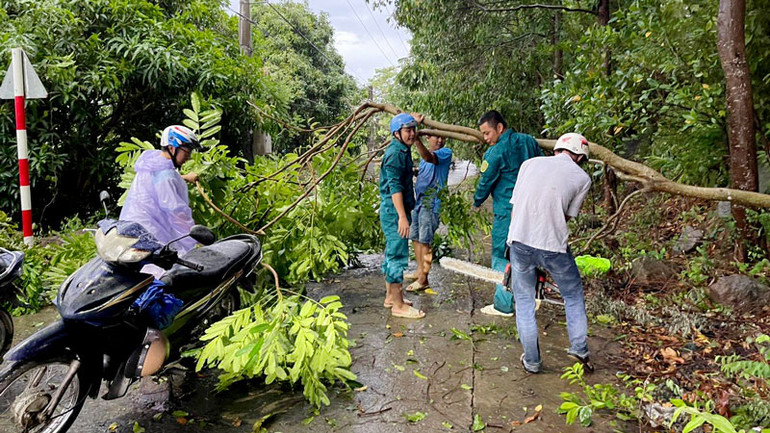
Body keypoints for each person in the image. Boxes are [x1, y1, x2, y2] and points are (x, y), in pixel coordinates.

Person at [507, 133, 593, 374]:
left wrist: (510, 244)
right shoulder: (582, 178)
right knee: (573, 294)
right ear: (579, 156)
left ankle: (532, 362)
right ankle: (579, 347)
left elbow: (516, 204)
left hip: (520, 240)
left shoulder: (529, 164)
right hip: (553, 246)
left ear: (557, 149)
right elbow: (566, 216)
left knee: (524, 301)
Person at [472, 110, 542, 317]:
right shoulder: (530, 141)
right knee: (526, 253)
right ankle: (529, 299)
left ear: (499, 128)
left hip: (507, 211)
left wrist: (477, 201)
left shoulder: (495, 153)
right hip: (532, 209)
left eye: (487, 133)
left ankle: (503, 305)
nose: (485, 139)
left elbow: (485, 182)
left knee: (501, 254)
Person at [379, 113, 433, 319]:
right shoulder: (395, 154)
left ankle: (390, 297)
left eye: (413, 130)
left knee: (392, 251)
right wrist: (402, 217)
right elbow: (395, 188)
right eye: (407, 131)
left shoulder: (402, 147)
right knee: (397, 255)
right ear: (396, 133)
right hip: (394, 212)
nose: (412, 134)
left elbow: (406, 126)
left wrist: (413, 120)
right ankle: (398, 305)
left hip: (396, 210)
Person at [120, 125, 201, 257]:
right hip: (151, 231)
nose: (189, 157)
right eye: (187, 152)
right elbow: (176, 212)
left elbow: (160, 179)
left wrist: (185, 177)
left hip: (132, 226)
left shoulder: (153, 163)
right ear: (172, 148)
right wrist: (194, 236)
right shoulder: (165, 175)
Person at [405, 133, 453, 292]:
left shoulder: (445, 153)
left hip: (431, 204)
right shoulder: (424, 158)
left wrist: (415, 138)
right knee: (416, 238)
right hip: (419, 202)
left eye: (442, 137)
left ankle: (423, 279)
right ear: (428, 138)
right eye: (435, 137)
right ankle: (419, 271)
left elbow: (428, 157)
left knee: (425, 240)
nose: (440, 140)